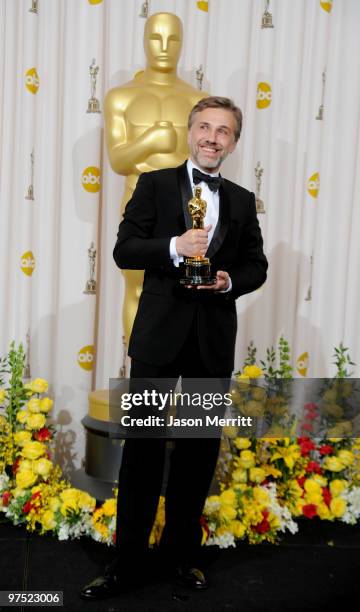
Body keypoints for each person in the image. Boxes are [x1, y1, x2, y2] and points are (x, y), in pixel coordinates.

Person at [81, 96, 268, 600]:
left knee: (197, 453)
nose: (212, 137)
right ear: (190, 132)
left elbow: (257, 266)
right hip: (158, 340)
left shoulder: (244, 199)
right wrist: (173, 248)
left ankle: (182, 558)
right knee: (141, 453)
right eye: (205, 127)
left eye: (223, 130)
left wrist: (229, 280)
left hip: (211, 344)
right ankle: (127, 564)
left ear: (233, 141)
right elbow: (124, 248)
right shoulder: (155, 184)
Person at [104, 12, 209, 343]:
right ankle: (140, 377)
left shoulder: (197, 101)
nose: (164, 47)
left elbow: (206, 162)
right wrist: (149, 141)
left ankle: (175, 379)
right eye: (155, 38)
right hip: (139, 202)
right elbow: (118, 160)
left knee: (186, 290)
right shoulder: (121, 97)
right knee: (137, 286)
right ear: (144, 40)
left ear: (183, 43)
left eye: (173, 39)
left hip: (187, 205)